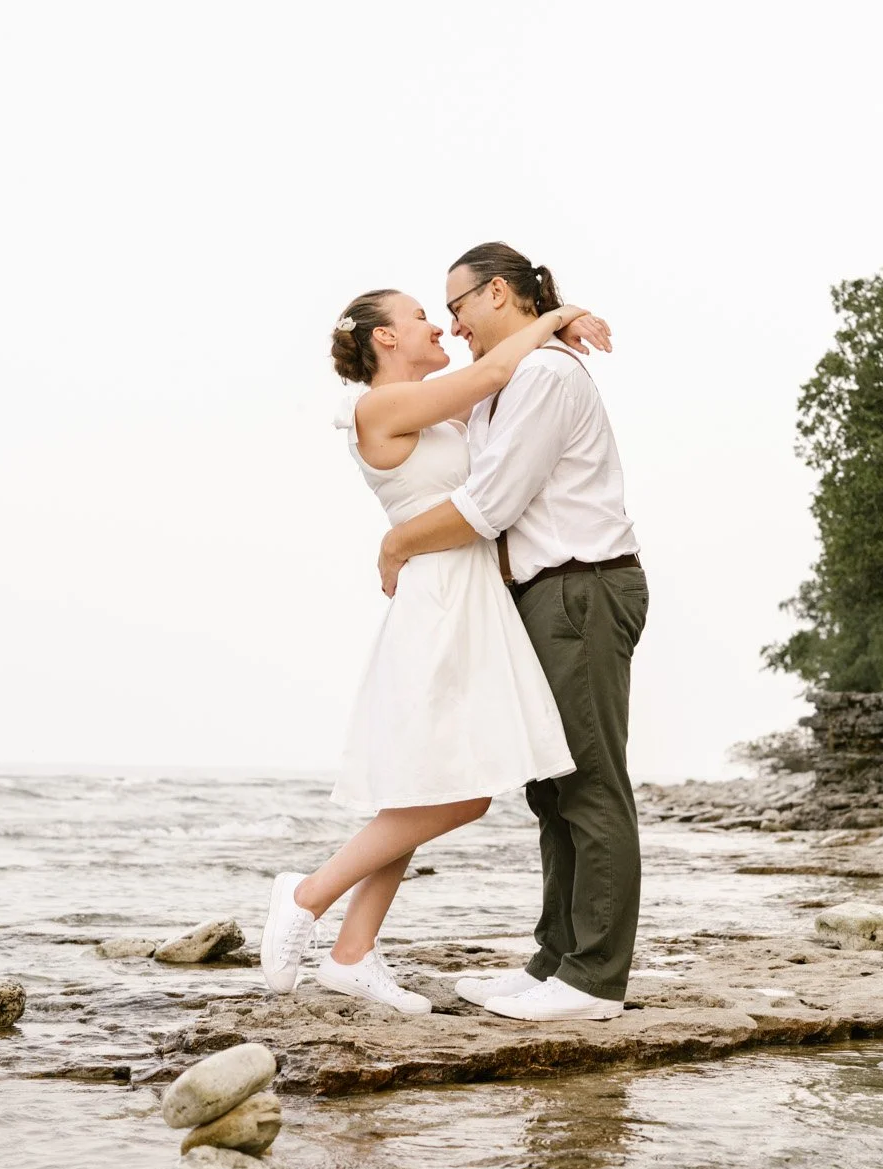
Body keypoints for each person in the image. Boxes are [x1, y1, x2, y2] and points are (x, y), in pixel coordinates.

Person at [259, 286, 613, 1013]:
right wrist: (553, 314)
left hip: (467, 594)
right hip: (440, 602)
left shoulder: (432, 405)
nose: (436, 324)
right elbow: (488, 377)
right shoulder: (378, 406)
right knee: (460, 792)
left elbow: (505, 389)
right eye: (420, 315)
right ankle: (307, 892)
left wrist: (551, 319)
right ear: (384, 338)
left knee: (424, 782)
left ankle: (353, 951)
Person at [375, 243, 646, 1023]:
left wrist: (397, 543)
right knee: (550, 784)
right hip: (542, 595)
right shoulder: (511, 380)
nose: (453, 325)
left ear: (497, 293)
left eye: (456, 306)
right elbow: (440, 411)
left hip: (581, 588)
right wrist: (558, 313)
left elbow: (489, 504)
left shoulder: (547, 378)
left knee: (589, 780)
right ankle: (554, 959)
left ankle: (594, 977)